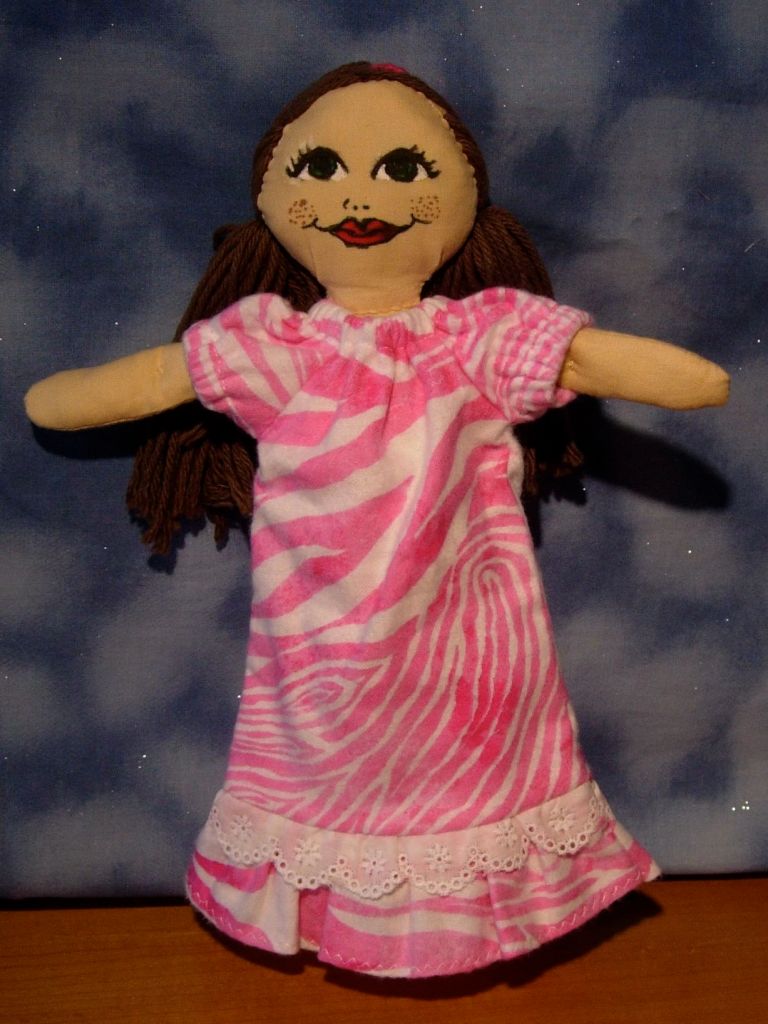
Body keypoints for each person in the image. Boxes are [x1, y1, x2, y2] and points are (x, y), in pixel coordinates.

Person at [25, 62, 729, 978]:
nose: (359, 196)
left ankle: (459, 926)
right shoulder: (276, 347)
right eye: (320, 170)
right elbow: (147, 382)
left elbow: (600, 362)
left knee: (474, 779)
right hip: (318, 650)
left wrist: (694, 379)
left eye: (403, 170)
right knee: (317, 775)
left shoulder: (474, 338)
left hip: (467, 642)